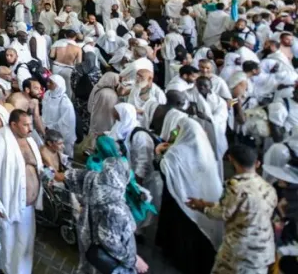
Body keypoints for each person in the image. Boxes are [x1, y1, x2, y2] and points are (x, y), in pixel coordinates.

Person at [187, 143, 278, 274]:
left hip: (240, 251)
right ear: (257, 163)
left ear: (231, 160)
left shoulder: (235, 186)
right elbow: (243, 209)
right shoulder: (268, 187)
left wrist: (202, 208)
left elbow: (222, 213)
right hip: (262, 251)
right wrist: (207, 203)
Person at [0, 109, 43, 274]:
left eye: (30, 124)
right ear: (13, 125)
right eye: (25, 125)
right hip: (7, 203)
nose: (30, 129)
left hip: (27, 206)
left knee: (25, 241)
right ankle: (4, 269)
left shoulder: (30, 141)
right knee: (8, 242)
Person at [155, 109, 222, 272]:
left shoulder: (177, 152)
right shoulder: (203, 151)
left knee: (179, 234)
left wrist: (158, 152)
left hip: (179, 202)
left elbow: (163, 169)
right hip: (199, 203)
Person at [62, 156, 147, 274]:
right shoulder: (115, 207)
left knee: (86, 266)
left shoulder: (92, 177)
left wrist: (50, 174)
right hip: (105, 254)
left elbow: (68, 176)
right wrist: (133, 260)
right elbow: (109, 241)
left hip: (85, 235)